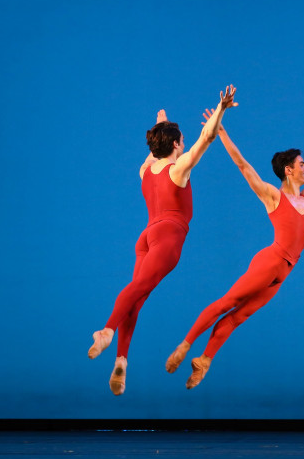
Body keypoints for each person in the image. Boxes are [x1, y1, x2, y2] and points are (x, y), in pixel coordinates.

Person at [166, 107, 304, 389]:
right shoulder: (273, 196)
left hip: (283, 274)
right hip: (271, 261)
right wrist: (222, 133)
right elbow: (244, 166)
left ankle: (204, 360)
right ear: (288, 170)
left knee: (239, 316)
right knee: (227, 303)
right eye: (302, 164)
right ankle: (184, 346)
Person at [86, 85, 238, 395]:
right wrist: (220, 108)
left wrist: (162, 126)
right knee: (137, 290)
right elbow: (206, 139)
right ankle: (107, 330)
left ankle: (122, 361)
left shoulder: (146, 170)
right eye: (181, 140)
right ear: (175, 144)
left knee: (136, 297)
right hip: (168, 234)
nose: (185, 144)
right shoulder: (178, 169)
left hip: (146, 235)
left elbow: (156, 149)